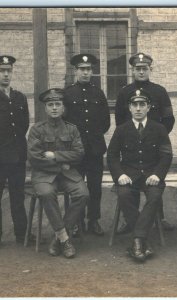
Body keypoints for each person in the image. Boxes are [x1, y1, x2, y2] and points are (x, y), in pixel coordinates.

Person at [107, 89, 172, 262]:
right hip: (129, 175)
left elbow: (166, 155)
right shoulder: (121, 130)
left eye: (142, 104)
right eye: (134, 104)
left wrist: (158, 175)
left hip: (152, 175)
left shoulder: (159, 129)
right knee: (124, 195)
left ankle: (137, 240)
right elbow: (112, 156)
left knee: (155, 197)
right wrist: (119, 174)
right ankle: (144, 240)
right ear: (129, 108)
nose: (138, 108)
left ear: (148, 107)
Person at [115, 52, 175, 233]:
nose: (141, 72)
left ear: (150, 69)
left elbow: (169, 118)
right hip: (132, 144)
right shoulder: (125, 92)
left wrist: (157, 137)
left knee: (155, 178)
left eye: (144, 69)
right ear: (132, 70)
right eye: (137, 69)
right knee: (131, 179)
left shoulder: (160, 91)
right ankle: (130, 220)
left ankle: (159, 218)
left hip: (154, 145)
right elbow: (119, 120)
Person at [27, 88, 89, 258]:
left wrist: (55, 155)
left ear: (63, 108)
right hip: (44, 176)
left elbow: (79, 153)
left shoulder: (72, 129)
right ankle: (65, 239)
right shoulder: (37, 130)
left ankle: (60, 236)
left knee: (83, 194)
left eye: (58, 104)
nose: (54, 108)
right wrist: (62, 164)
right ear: (46, 108)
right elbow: (35, 158)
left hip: (68, 176)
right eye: (50, 104)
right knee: (46, 193)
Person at [64, 54, 110, 236]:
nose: (85, 72)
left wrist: (94, 136)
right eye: (82, 69)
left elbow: (105, 121)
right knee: (76, 187)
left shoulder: (98, 93)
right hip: (75, 151)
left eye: (88, 69)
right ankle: (76, 222)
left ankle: (93, 220)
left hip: (95, 149)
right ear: (76, 71)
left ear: (92, 71)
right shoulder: (67, 93)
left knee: (95, 186)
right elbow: (64, 122)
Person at [0, 55, 31, 244]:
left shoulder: (19, 97)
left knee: (18, 196)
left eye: (8, 71)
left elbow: (24, 124)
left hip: (18, 155)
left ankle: (22, 234)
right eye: (2, 71)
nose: (5, 75)